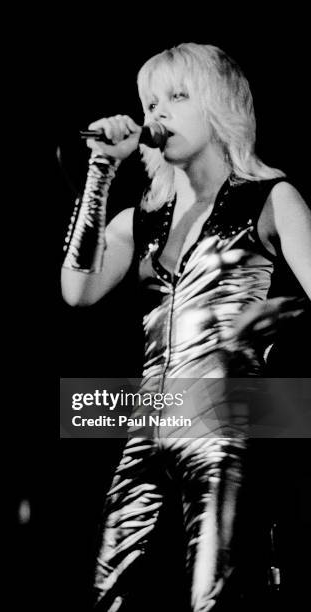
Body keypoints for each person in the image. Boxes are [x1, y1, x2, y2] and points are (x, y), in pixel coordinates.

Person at [61, 42, 311, 611]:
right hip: (150, 421)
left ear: (220, 105)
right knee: (110, 594)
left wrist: (279, 317)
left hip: (229, 418)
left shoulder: (270, 198)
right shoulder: (141, 218)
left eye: (177, 96)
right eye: (150, 101)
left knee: (216, 597)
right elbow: (78, 290)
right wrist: (102, 168)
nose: (157, 114)